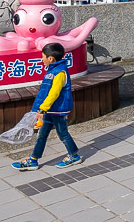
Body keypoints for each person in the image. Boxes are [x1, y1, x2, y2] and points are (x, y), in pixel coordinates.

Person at [12, 42, 82, 170]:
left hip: (57, 111)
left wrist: (42, 108)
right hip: (50, 110)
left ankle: (74, 156)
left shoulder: (60, 72)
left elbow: (54, 94)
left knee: (63, 133)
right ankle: (33, 160)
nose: (41, 59)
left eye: (43, 56)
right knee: (41, 135)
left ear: (51, 58)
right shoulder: (53, 70)